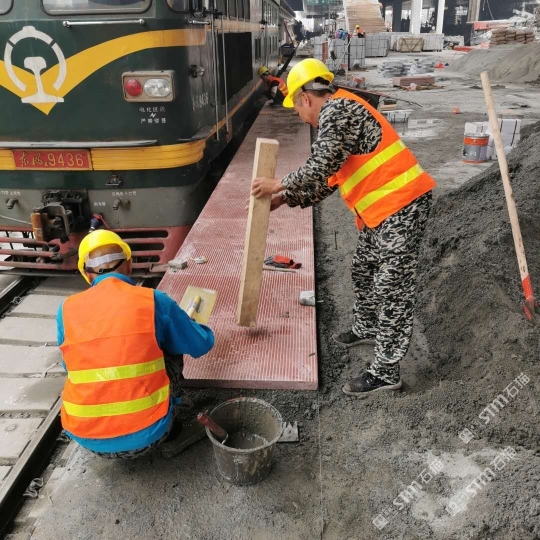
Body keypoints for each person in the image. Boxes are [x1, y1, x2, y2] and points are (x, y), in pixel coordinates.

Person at [251, 59, 435, 397]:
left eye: (296, 109)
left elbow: (320, 165)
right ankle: (366, 327)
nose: (300, 116)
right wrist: (286, 198)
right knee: (363, 269)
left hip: (403, 205)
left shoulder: (338, 110)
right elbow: (329, 180)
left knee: (392, 288)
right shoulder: (339, 115)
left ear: (306, 97)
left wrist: (279, 183)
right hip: (382, 212)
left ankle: (385, 371)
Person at [56, 230, 214, 458]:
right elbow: (201, 345)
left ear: (87, 275)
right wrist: (187, 325)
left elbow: (69, 366)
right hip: (150, 436)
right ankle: (174, 428)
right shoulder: (153, 300)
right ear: (129, 265)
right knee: (168, 345)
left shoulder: (65, 309)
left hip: (86, 440)